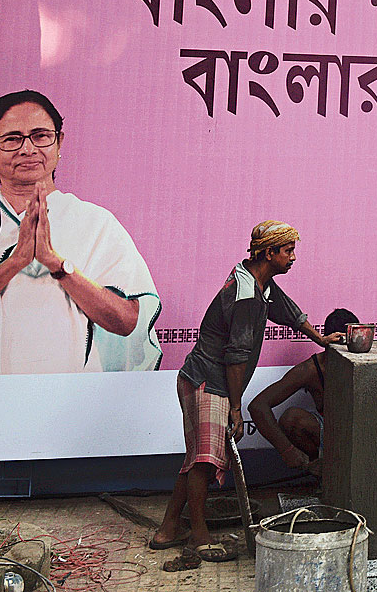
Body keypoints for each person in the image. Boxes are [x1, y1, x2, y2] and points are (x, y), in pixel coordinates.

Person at [151, 222, 342, 566]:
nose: (293, 257)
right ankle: (198, 534)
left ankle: (168, 528)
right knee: (204, 461)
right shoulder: (247, 296)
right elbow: (237, 355)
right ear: (269, 254)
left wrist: (320, 338)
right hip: (207, 381)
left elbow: (289, 311)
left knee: (198, 457)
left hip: (211, 381)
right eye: (288, 251)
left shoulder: (258, 280)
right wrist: (236, 408)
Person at [0, 90, 161, 374]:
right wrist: (15, 263)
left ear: (59, 143)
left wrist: (56, 264)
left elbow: (125, 321)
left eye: (41, 136)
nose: (28, 150)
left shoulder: (94, 222)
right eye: (12, 139)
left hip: (70, 394)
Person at [249, 308, 360, 472]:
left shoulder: (366, 360)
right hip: (330, 433)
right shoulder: (311, 369)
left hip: (361, 432)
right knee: (292, 418)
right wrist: (287, 450)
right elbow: (258, 406)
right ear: (330, 342)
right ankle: (323, 471)